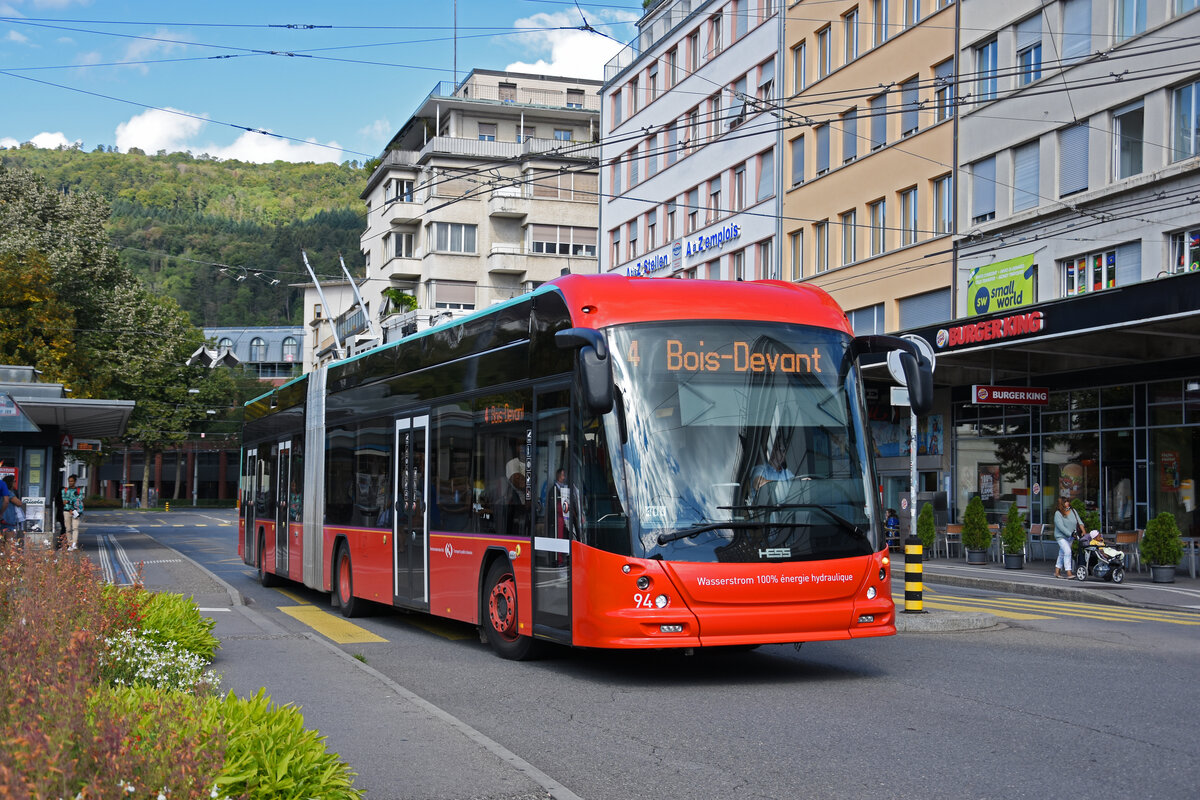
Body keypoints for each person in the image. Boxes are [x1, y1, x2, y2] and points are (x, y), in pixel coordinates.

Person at [1052, 495, 1085, 579]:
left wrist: (1083, 531)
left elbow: (1079, 522)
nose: (1067, 503)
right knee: (1067, 551)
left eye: (1068, 501)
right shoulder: (1058, 513)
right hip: (1061, 537)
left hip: (1071, 536)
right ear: (1061, 504)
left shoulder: (1073, 511)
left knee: (1062, 553)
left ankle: (1057, 571)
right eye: (1065, 501)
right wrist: (1070, 533)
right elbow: (1060, 527)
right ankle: (1069, 572)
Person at [61, 474, 85, 551]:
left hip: (75, 511)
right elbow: (64, 501)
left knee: (75, 527)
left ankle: (74, 544)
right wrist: (71, 502)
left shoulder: (79, 490)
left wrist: (70, 503)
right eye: (69, 481)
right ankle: (70, 544)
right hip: (67, 511)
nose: (70, 482)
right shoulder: (64, 490)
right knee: (68, 528)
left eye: (72, 481)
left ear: (75, 481)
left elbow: (79, 499)